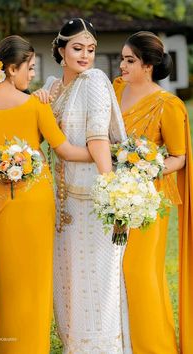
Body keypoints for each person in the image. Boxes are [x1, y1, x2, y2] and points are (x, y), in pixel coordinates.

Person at [0, 35, 95, 354]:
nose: (32, 75)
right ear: (11, 68)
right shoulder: (34, 105)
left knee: (8, 283)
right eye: (30, 68)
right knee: (35, 283)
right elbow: (67, 151)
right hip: (35, 203)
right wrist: (105, 153)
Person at [35, 18, 132, 353]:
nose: (86, 55)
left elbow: (98, 140)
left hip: (93, 202)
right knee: (69, 285)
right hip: (61, 204)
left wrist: (114, 199)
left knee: (97, 282)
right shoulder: (51, 87)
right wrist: (37, 103)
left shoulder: (93, 81)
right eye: (77, 48)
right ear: (60, 50)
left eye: (91, 49)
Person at [113, 31, 193, 354]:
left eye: (129, 60)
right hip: (113, 197)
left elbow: (181, 156)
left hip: (149, 201)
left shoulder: (167, 105)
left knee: (140, 271)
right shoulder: (115, 91)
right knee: (116, 273)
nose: (122, 65)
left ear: (148, 65)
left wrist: (148, 167)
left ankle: (154, 347)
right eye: (122, 59)